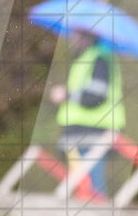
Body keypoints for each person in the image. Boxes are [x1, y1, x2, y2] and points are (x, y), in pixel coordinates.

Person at [51, 29, 125, 201]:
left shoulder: (100, 58)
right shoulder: (86, 58)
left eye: (77, 33)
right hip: (81, 132)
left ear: (88, 35)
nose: (72, 37)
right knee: (83, 189)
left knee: (93, 189)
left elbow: (96, 96)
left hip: (95, 131)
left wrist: (66, 94)